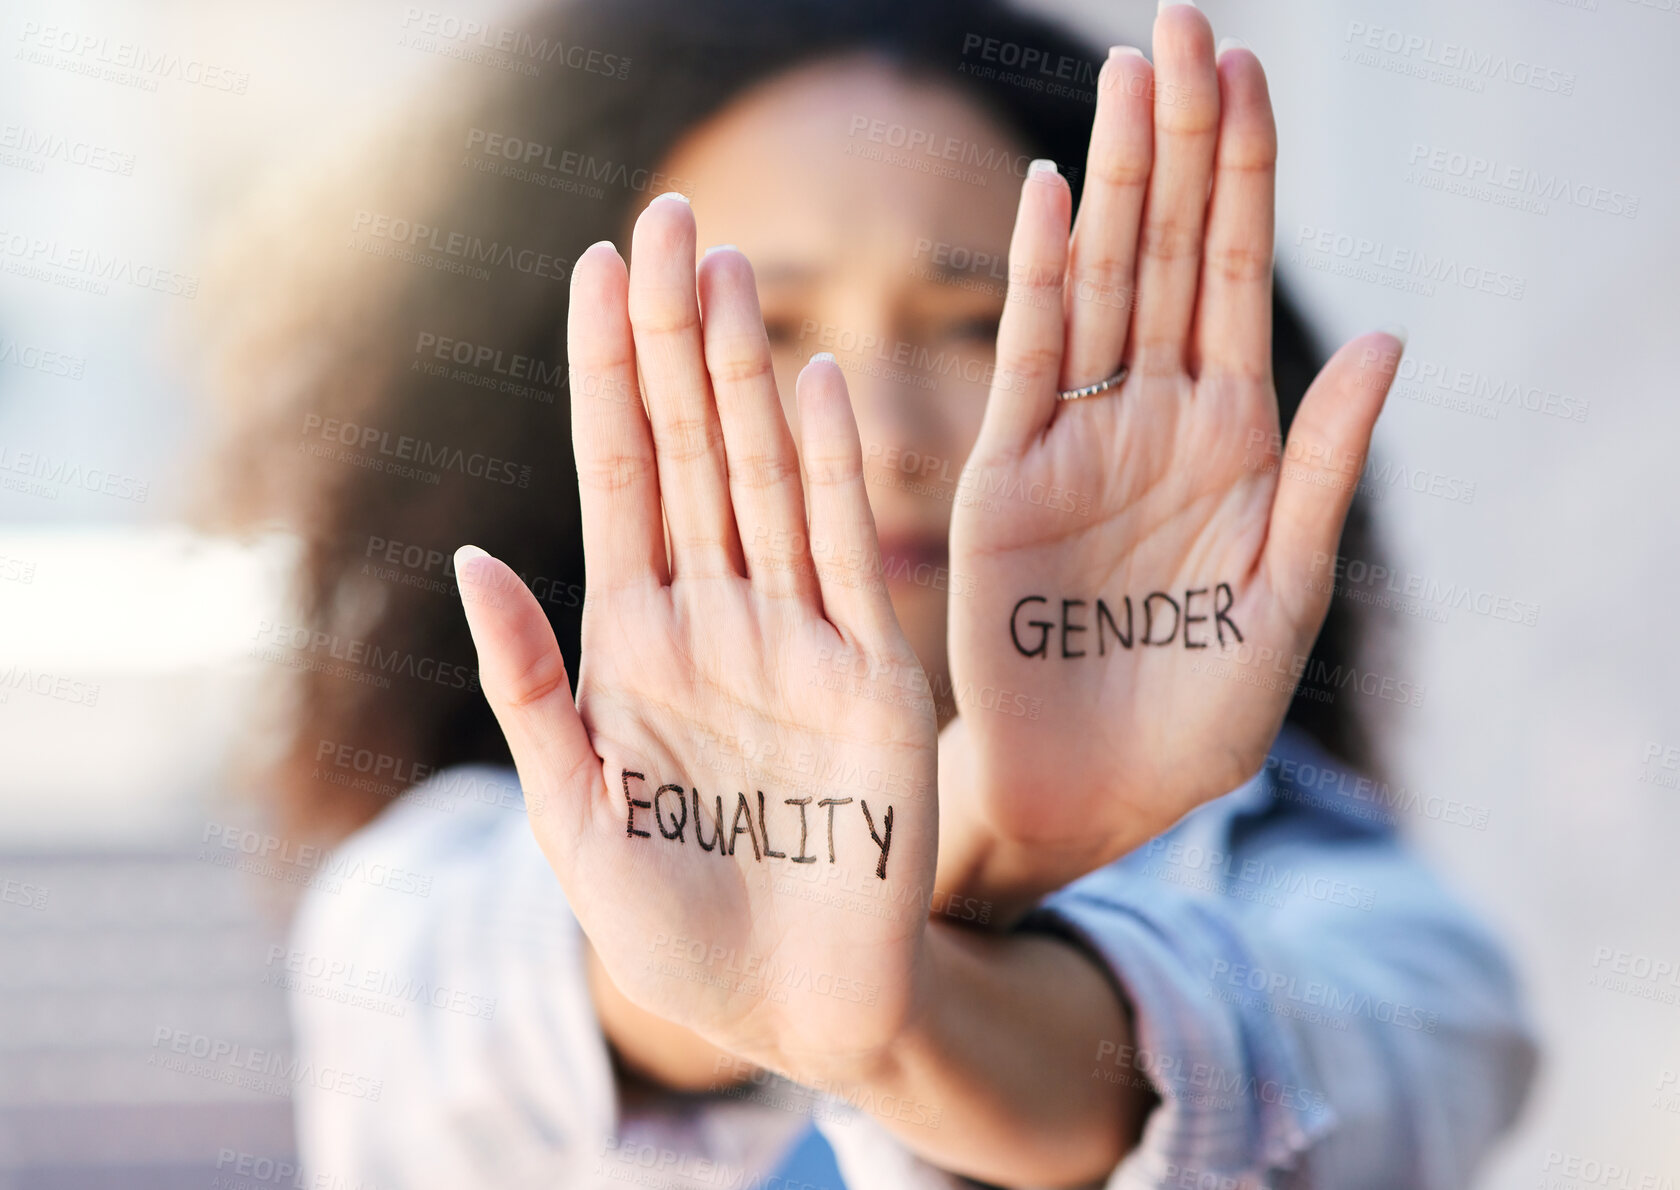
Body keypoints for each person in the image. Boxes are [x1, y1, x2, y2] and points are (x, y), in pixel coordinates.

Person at [205, 0, 1537, 1185]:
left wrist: (953, 893)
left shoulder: (1386, 949)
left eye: (975, 324)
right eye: (763, 330)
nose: (880, 427)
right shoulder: (425, 899)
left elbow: (1265, 1096)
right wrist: (978, 844)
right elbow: (515, 1017)